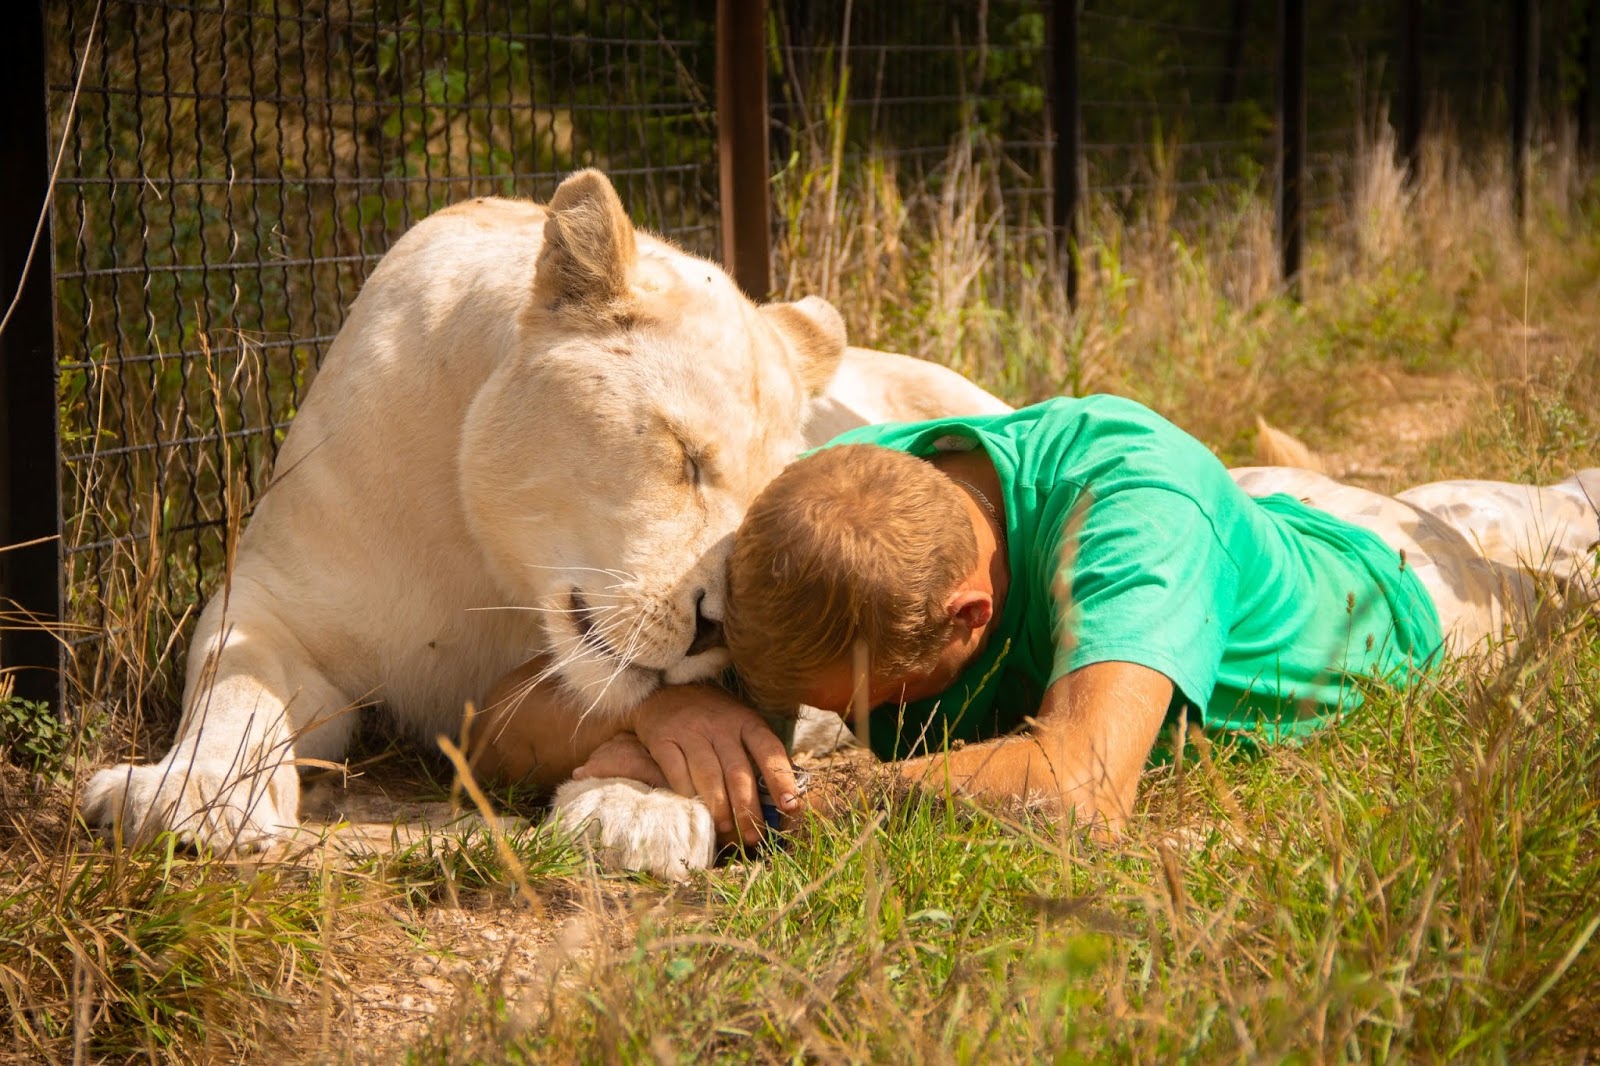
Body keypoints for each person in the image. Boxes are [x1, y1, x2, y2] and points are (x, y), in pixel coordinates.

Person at [480, 396, 1600, 844]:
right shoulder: (821, 515)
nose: (799, 719)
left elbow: (1078, 785)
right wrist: (670, 704)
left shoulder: (1132, 521)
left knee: (1556, 535)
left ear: (969, 619)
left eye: (849, 707)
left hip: (1399, 594)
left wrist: (799, 801)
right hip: (1231, 525)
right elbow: (492, 726)